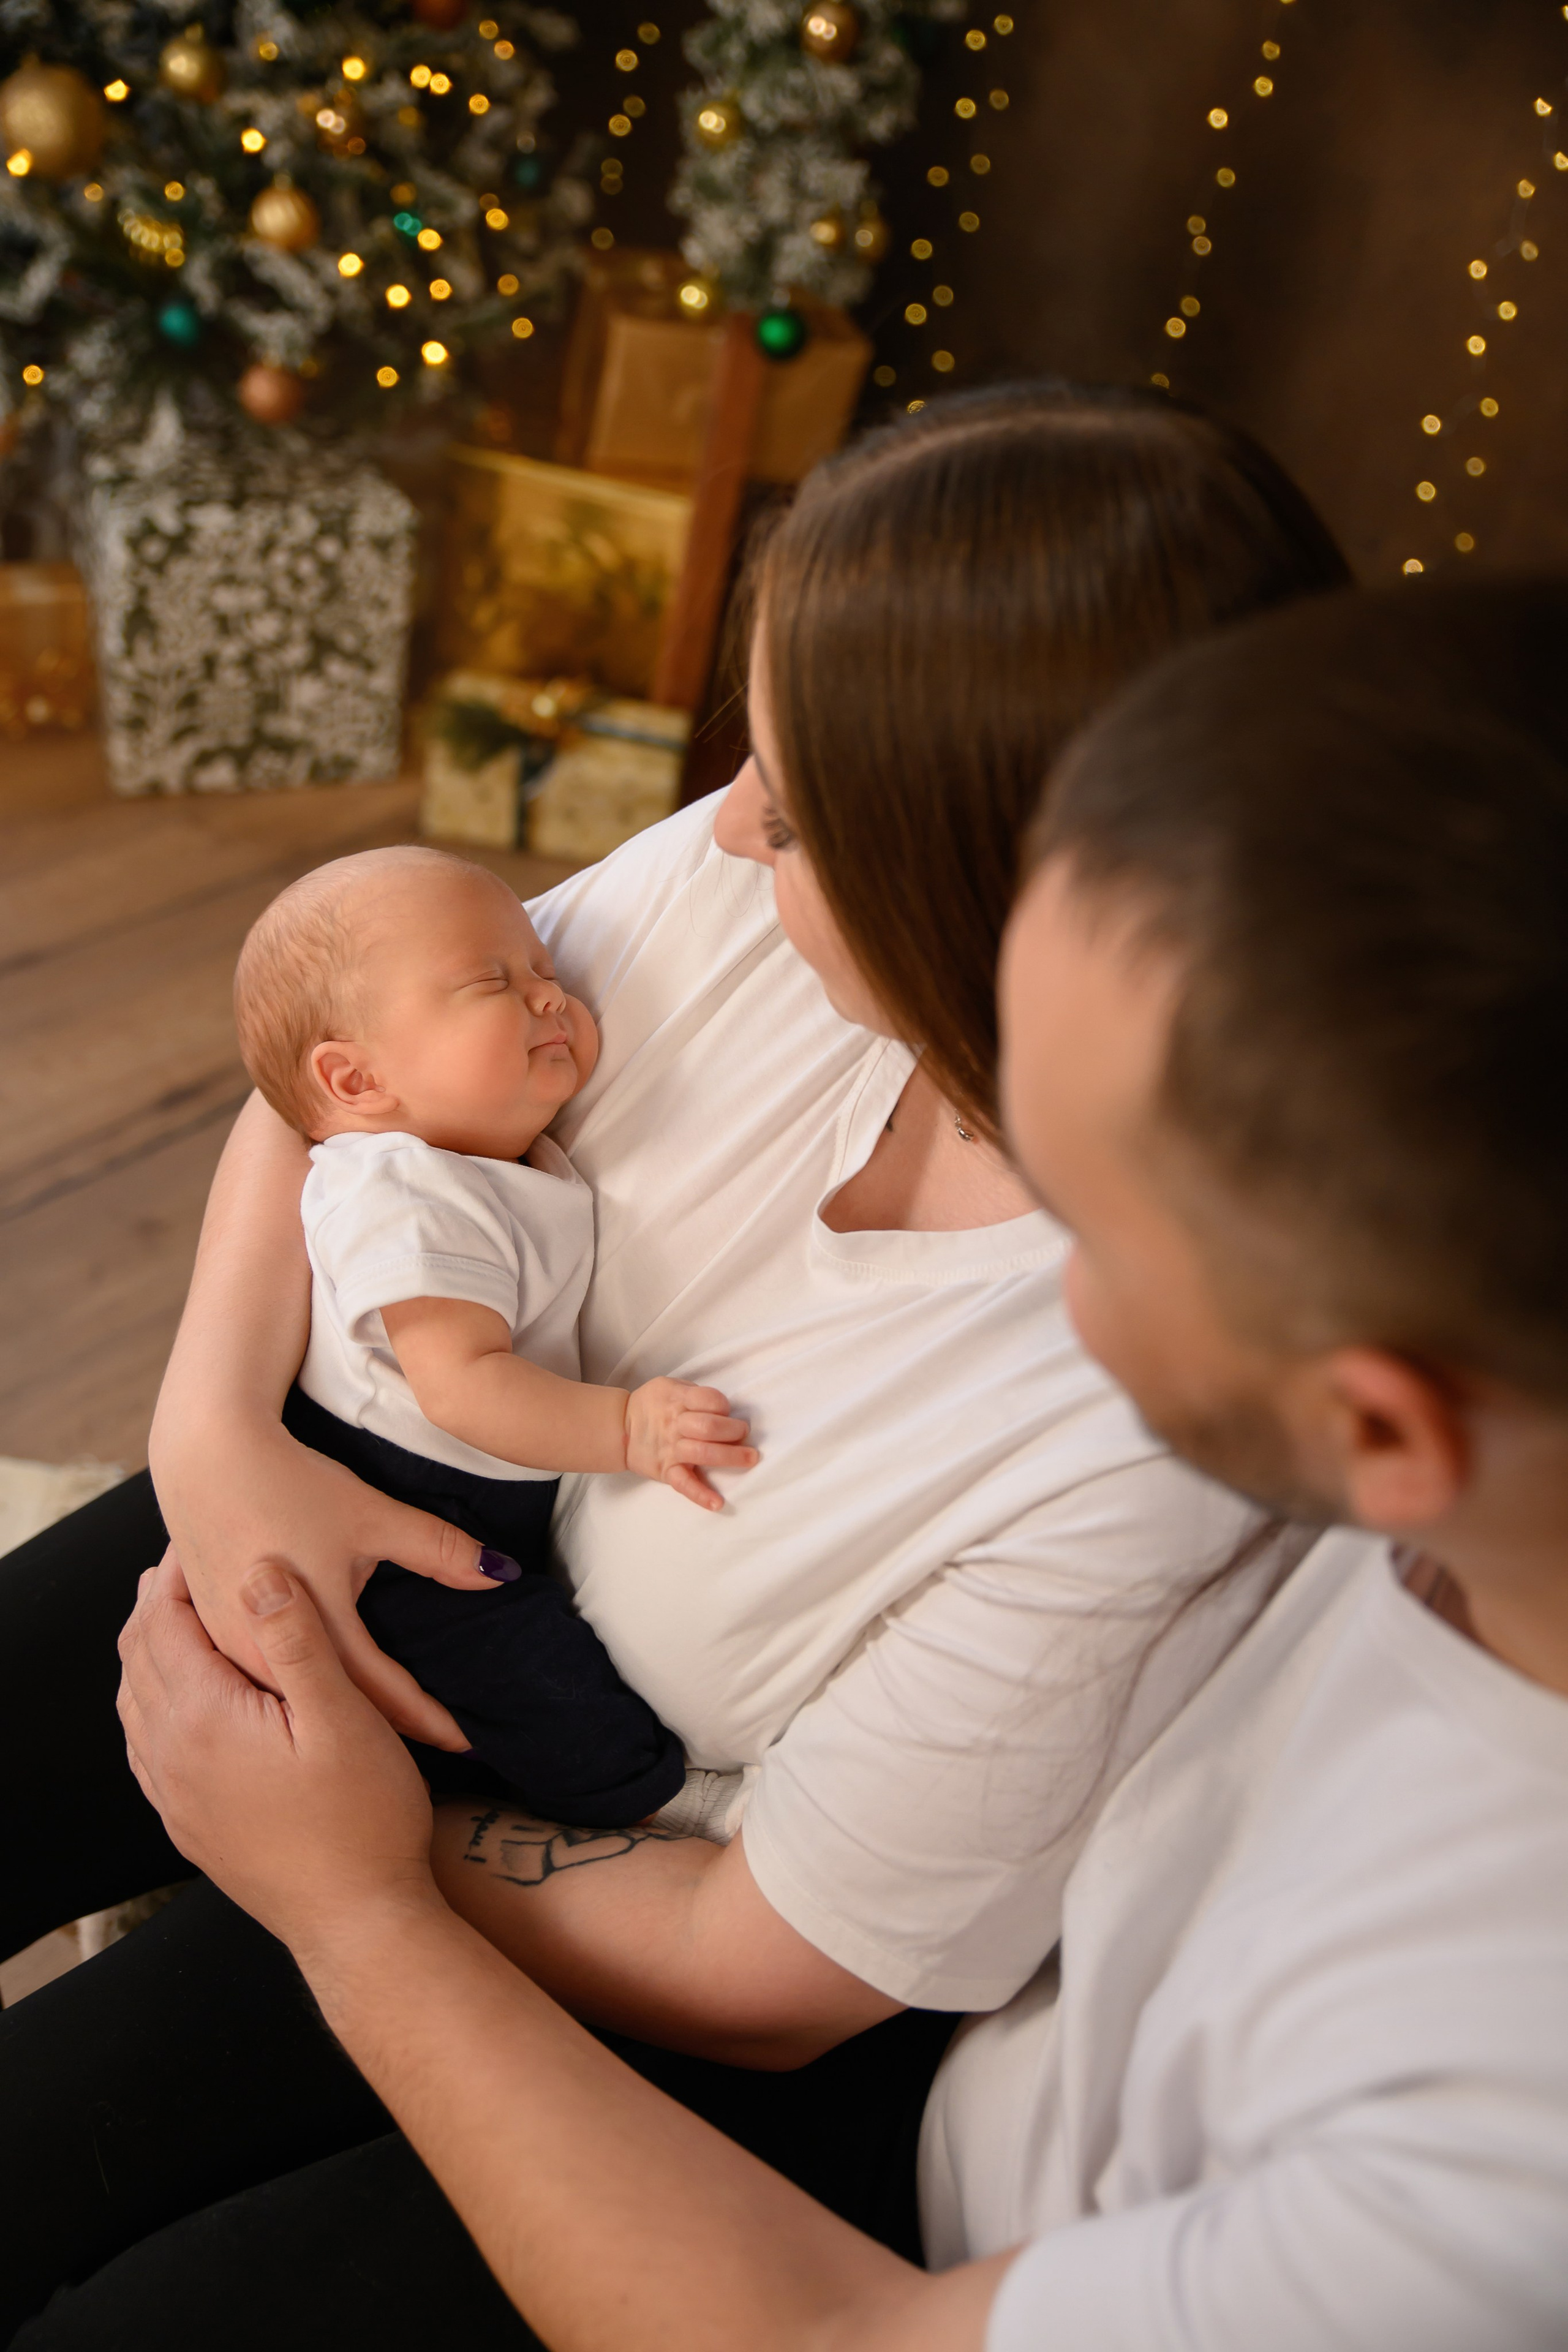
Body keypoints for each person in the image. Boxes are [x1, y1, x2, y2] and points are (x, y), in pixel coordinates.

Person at [0, 384, 1349, 2342]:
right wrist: (210, 1433)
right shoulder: (748, 907)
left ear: (972, 888)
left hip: (630, 1890)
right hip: (367, 1525)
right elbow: (335, 1068)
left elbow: (773, 1971)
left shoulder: (1143, 1391)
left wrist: (349, 1853)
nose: (723, 828)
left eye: (795, 811)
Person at [233, 846, 756, 1817]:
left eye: (548, 974)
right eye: (492, 982)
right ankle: (658, 1808)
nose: (550, 998)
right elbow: (461, 1386)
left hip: (452, 1482)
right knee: (539, 1684)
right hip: (402, 1508)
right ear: (355, 1078)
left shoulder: (466, 1162)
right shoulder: (405, 1192)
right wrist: (629, 1431)